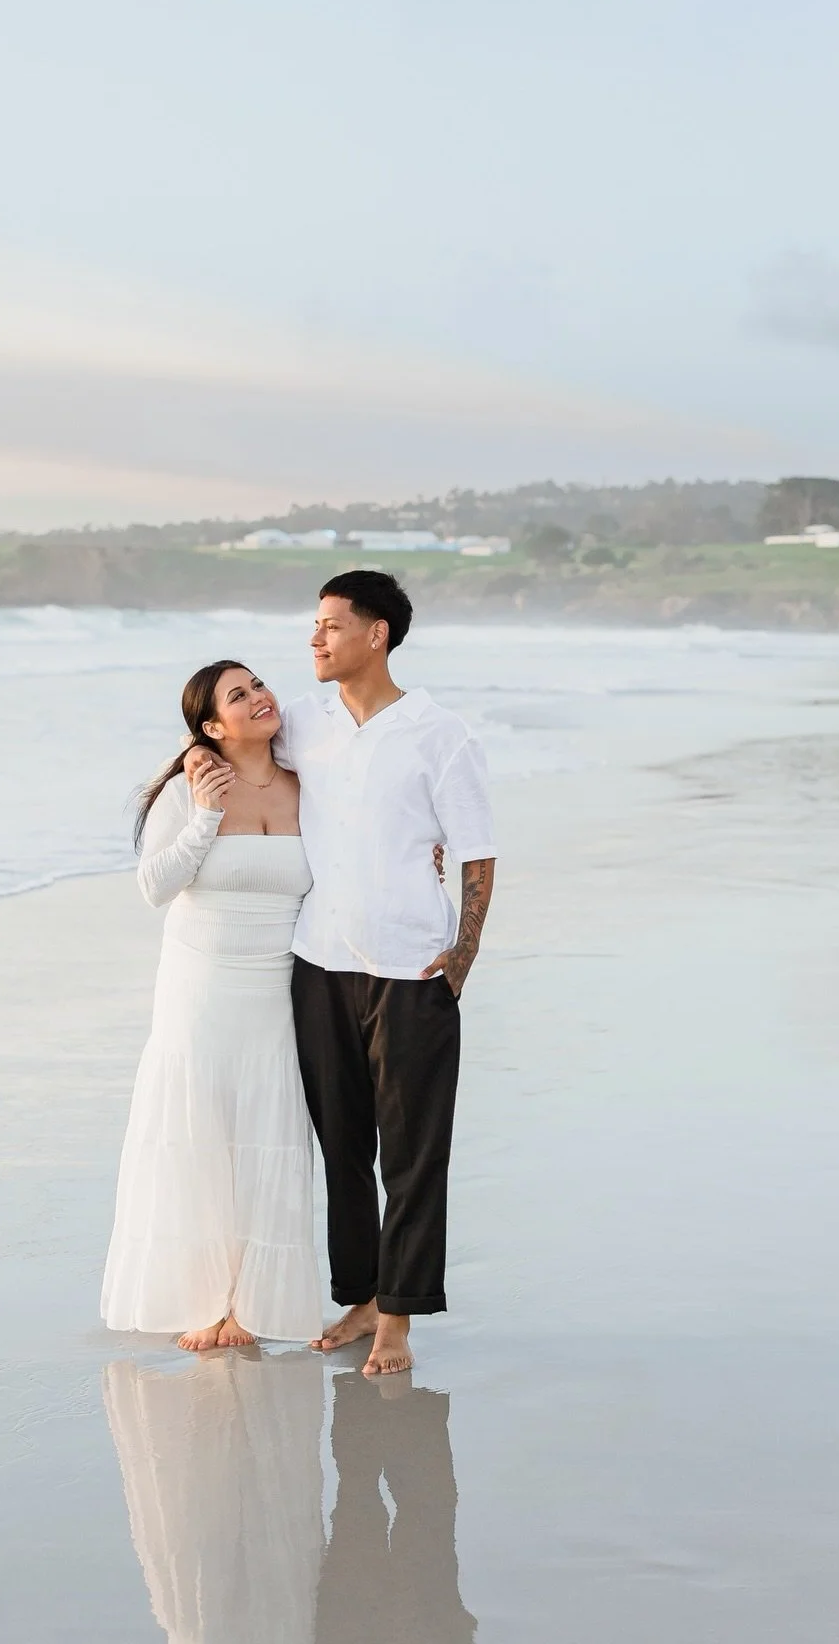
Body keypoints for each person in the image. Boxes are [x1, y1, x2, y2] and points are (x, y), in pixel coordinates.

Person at [277, 571, 496, 1376]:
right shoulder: (302, 723)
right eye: (314, 624)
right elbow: (231, 744)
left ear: (377, 634)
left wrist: (464, 953)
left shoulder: (439, 733)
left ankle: (400, 1316)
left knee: (411, 1155)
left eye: (332, 625)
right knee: (342, 1148)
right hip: (319, 964)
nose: (315, 639)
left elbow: (477, 846)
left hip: (412, 970)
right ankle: (361, 1293)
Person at [101, 660, 324, 1350]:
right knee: (200, 1135)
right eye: (239, 695)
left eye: (258, 685)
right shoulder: (190, 788)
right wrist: (204, 817)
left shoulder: (307, 784)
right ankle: (203, 1301)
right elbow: (155, 886)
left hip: (277, 987)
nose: (259, 697)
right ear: (210, 727)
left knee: (268, 1135)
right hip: (200, 988)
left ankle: (250, 1305)